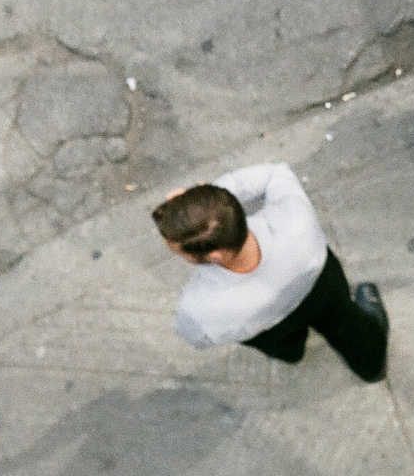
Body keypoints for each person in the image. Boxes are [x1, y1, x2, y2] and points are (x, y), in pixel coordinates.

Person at [151, 162, 389, 382]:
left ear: (215, 256)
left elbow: (197, 337)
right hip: (322, 284)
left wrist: (196, 211)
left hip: (267, 328)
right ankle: (371, 368)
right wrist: (206, 205)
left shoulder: (200, 308)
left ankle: (294, 353)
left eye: (178, 251)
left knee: (283, 345)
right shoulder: (295, 221)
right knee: (347, 325)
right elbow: (275, 173)